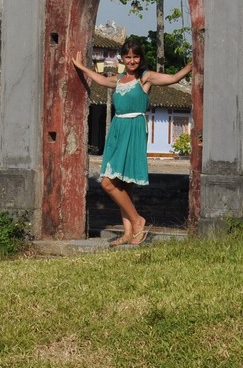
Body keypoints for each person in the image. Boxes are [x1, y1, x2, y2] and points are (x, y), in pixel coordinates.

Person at [72, 40, 193, 246]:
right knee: (121, 183)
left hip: (134, 130)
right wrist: (82, 67)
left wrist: (192, 65)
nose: (132, 61)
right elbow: (99, 79)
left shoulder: (145, 78)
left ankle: (138, 221)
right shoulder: (118, 80)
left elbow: (173, 78)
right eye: (128, 57)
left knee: (107, 183)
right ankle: (129, 233)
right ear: (122, 58)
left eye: (135, 57)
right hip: (118, 130)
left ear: (140, 58)